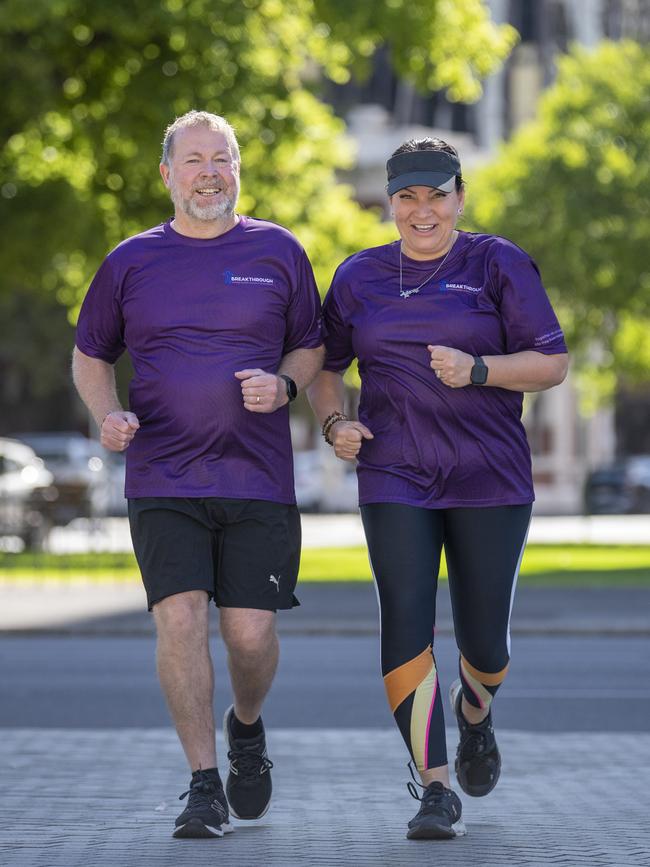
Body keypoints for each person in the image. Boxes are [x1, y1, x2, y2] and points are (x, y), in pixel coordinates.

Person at [72, 110, 324, 839]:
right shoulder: (130, 261)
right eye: (194, 159)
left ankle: (246, 726)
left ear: (238, 171)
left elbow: (311, 345)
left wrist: (284, 384)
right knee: (179, 619)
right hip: (162, 476)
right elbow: (91, 352)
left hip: (258, 477)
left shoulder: (278, 250)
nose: (209, 172)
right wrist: (106, 412)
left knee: (248, 636)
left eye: (223, 159)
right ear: (167, 174)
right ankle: (203, 782)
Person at [307, 138, 568, 840]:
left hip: (491, 476)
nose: (422, 210)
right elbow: (325, 367)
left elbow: (552, 364)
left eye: (436, 195)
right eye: (407, 197)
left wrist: (479, 369)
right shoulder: (359, 277)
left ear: (459, 196)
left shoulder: (498, 263)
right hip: (396, 473)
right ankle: (434, 785)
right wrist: (335, 422)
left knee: (486, 642)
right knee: (405, 618)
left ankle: (475, 713)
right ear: (390, 202)